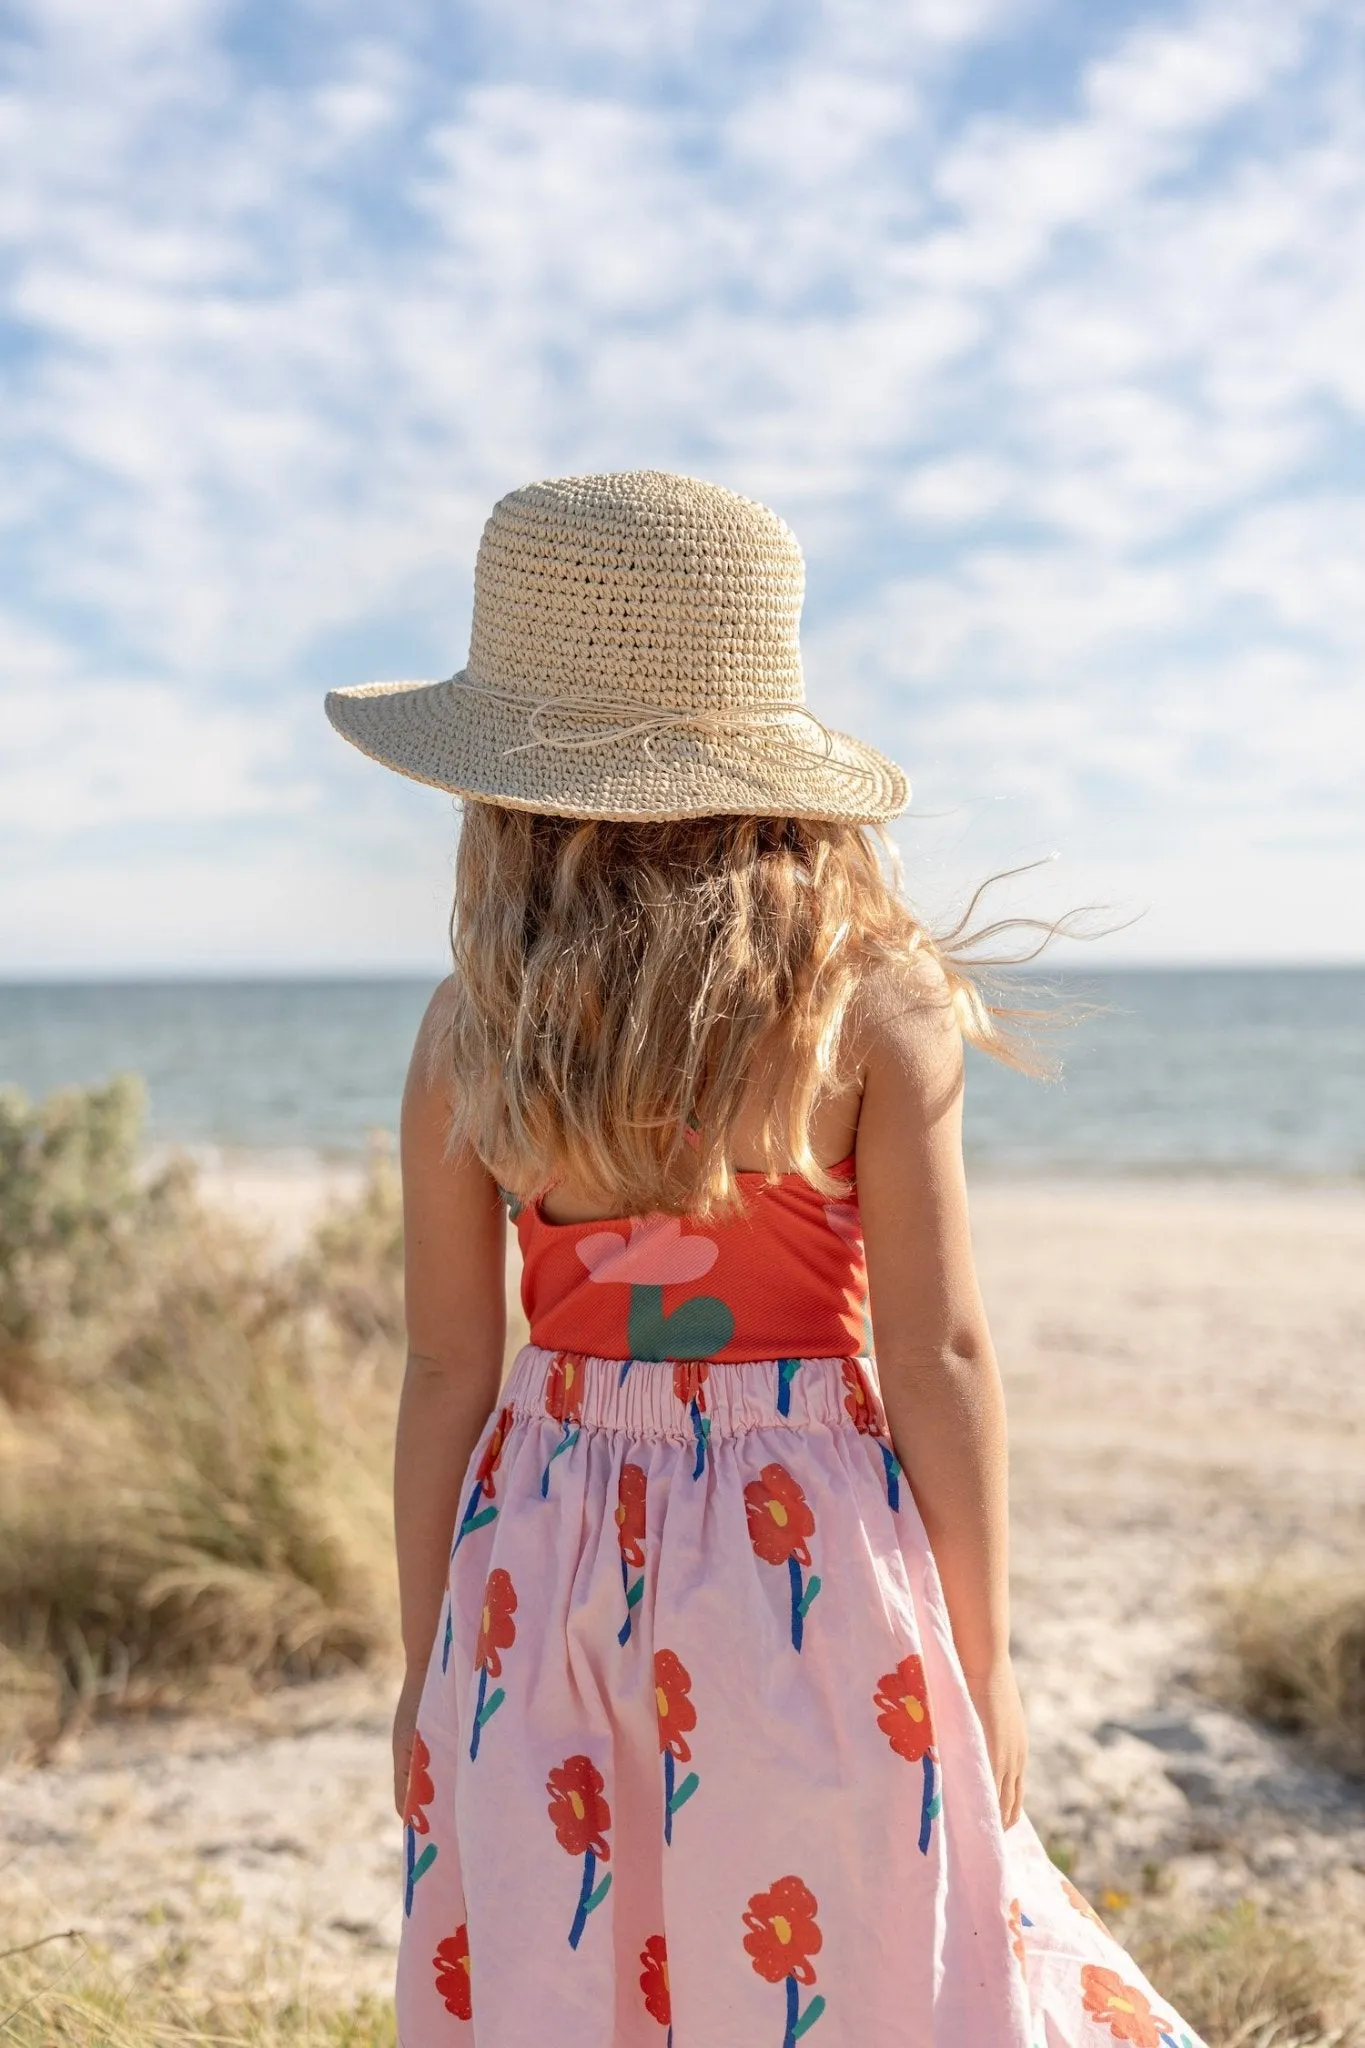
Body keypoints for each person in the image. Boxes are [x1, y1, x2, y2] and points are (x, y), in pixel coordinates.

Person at [325, 471, 1205, 2047]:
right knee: (841, 1942)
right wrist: (983, 1665)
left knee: (570, 1956)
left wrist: (430, 1655)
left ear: (504, 788)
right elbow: (937, 1359)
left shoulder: (474, 1029)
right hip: (804, 1570)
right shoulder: (874, 1005)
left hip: (541, 1556)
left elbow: (453, 1362)